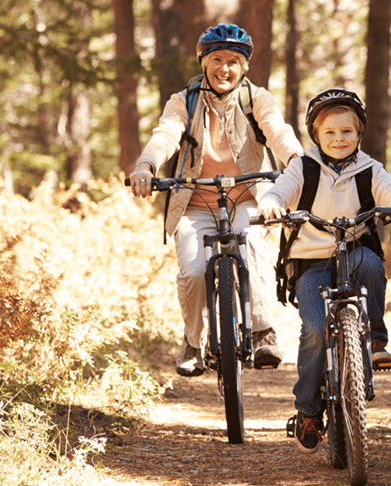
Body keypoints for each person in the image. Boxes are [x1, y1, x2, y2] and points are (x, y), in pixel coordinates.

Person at [129, 23, 303, 377]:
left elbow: (277, 131)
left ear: (244, 67)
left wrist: (298, 161)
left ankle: (263, 331)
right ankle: (193, 342)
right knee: (193, 272)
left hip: (249, 198)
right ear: (204, 63)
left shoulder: (256, 99)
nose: (225, 68)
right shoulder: (184, 101)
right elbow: (166, 135)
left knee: (254, 247)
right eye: (217, 59)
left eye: (233, 61)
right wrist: (146, 164)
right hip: (195, 203)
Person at [257, 88, 391, 453]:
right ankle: (308, 411)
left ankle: (375, 340)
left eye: (347, 132)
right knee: (315, 330)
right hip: (311, 259)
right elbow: (280, 191)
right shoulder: (303, 166)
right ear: (316, 135)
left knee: (373, 267)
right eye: (330, 132)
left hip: (353, 249)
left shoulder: (369, 168)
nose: (339, 139)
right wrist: (270, 204)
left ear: (359, 133)